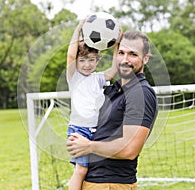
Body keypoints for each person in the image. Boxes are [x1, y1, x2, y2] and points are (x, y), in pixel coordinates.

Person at [66, 30, 158, 190]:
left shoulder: (140, 92)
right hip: (93, 181)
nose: (125, 59)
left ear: (145, 59)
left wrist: (89, 146)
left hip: (110, 184)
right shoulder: (114, 89)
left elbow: (129, 149)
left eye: (133, 54)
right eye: (121, 52)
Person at [66, 18, 118, 190]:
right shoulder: (74, 77)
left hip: (96, 130)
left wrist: (117, 43)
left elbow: (114, 70)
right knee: (81, 169)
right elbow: (71, 54)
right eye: (82, 61)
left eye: (91, 60)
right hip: (79, 129)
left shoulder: (97, 79)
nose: (87, 65)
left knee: (94, 171)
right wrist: (79, 28)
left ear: (97, 59)